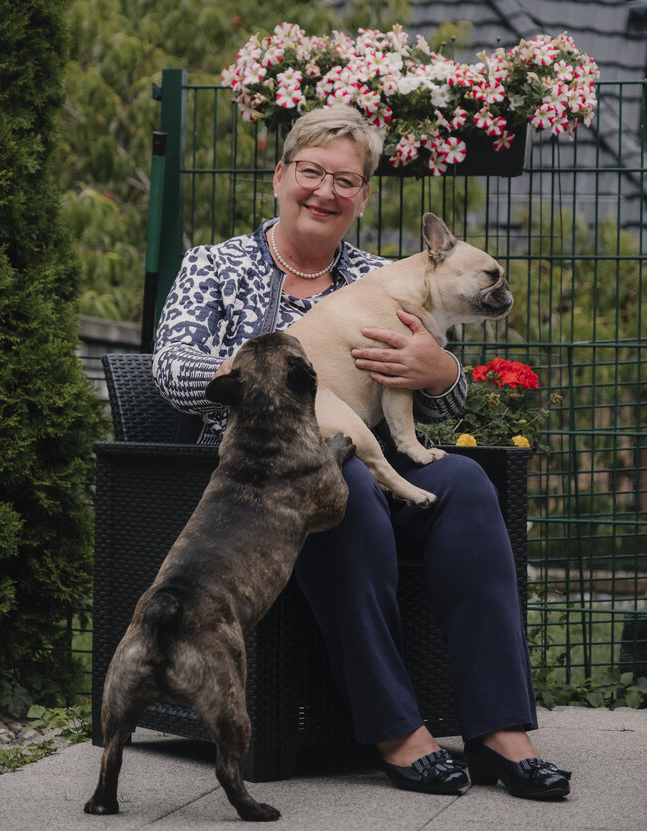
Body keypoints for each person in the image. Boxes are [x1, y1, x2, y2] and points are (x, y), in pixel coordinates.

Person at [153, 105, 571, 800]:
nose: (325, 190)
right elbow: (169, 372)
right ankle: (395, 730)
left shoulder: (389, 275)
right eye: (310, 172)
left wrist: (437, 370)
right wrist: (265, 372)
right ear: (280, 175)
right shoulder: (216, 266)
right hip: (263, 473)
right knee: (345, 489)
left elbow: (441, 404)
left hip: (379, 448)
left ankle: (500, 731)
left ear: (363, 195)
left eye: (344, 180)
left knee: (465, 482)